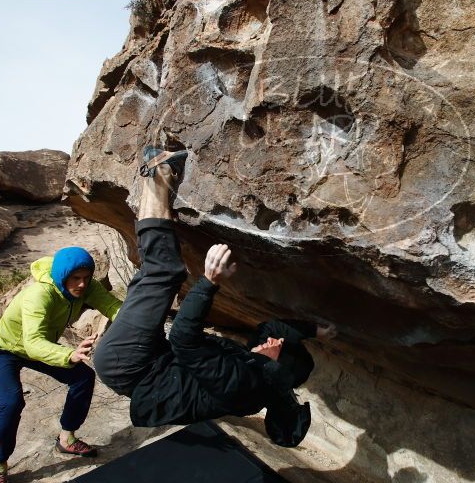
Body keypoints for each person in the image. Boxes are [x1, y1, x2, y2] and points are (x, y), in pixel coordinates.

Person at [94, 149, 337, 447]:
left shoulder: (242, 386)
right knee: (153, 276)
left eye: (278, 348)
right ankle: (154, 175)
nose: (272, 341)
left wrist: (209, 281)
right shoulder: (263, 370)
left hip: (128, 364)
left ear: (277, 364)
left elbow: (184, 337)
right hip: (152, 360)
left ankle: (159, 173)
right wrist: (315, 330)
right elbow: (271, 330)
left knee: (165, 272)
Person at [0, 247, 122, 483]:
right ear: (62, 276)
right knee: (12, 401)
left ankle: (67, 438)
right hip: (4, 349)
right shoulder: (40, 294)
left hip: (38, 346)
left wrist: (136, 321)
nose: (81, 284)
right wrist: (68, 355)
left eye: (86, 277)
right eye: (75, 278)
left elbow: (112, 306)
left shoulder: (86, 286)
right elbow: (33, 343)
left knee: (83, 378)